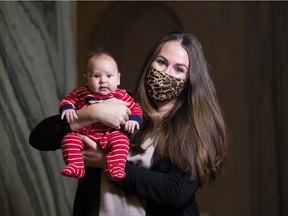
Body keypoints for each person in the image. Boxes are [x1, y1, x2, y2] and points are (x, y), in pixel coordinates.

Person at [29, 31, 227, 216]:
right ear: (150, 63)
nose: (166, 73)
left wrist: (105, 161)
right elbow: (39, 138)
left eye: (179, 69)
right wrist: (91, 113)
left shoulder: (192, 127)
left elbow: (175, 191)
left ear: (190, 80)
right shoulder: (121, 107)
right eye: (161, 62)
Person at [59, 51, 142, 180]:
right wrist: (68, 108)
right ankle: (75, 165)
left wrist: (134, 120)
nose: (103, 81)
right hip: (85, 134)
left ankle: (115, 167)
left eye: (109, 76)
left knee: (122, 141)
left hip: (110, 134)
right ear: (86, 79)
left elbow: (135, 108)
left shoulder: (122, 95)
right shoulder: (80, 93)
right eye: (97, 76)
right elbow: (67, 100)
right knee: (69, 139)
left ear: (118, 79)